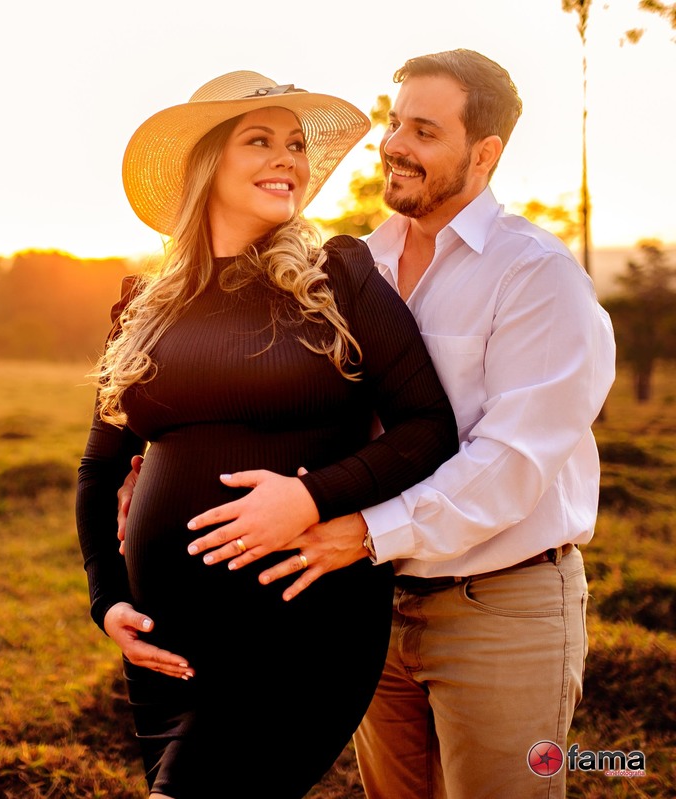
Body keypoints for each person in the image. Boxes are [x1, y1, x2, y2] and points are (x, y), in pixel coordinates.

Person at [123, 50, 616, 798]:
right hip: (366, 606)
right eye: (394, 123)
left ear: (484, 154)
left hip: (497, 602)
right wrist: (169, 467)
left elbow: (512, 464)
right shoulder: (353, 264)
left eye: (425, 131)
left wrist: (358, 530)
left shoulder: (536, 276)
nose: (394, 146)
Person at [75, 70, 458, 798]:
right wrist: (107, 600)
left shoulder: (338, 277)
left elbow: (427, 426)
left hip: (301, 626)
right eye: (260, 140)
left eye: (296, 145)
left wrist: (313, 497)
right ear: (206, 164)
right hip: (167, 648)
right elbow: (100, 470)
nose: (288, 158)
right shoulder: (144, 307)